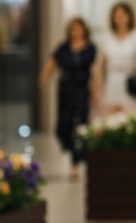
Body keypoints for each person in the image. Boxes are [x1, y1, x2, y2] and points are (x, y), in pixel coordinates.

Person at [39, 18, 101, 176]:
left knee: (80, 127)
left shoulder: (90, 49)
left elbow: (95, 72)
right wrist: (44, 79)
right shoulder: (63, 48)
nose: (75, 32)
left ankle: (76, 161)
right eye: (73, 29)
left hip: (82, 91)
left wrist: (95, 92)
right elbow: (52, 64)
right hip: (65, 91)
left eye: (78, 29)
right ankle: (69, 146)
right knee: (62, 127)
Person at [97, 2, 136, 113]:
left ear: (129, 17)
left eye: (123, 15)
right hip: (112, 81)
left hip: (130, 80)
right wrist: (97, 90)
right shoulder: (106, 38)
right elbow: (99, 66)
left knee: (130, 116)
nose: (120, 19)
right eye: (116, 16)